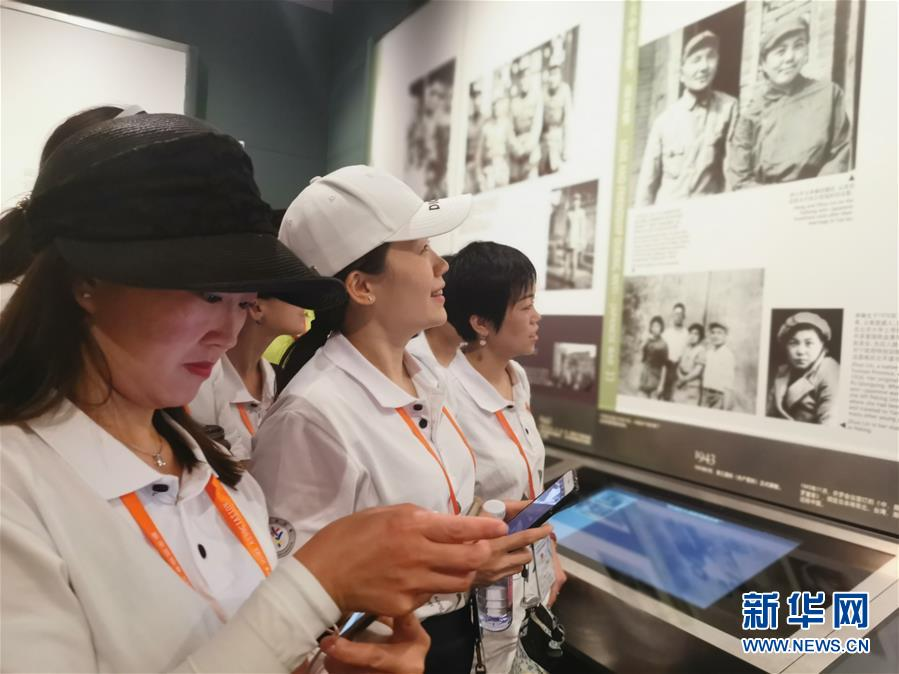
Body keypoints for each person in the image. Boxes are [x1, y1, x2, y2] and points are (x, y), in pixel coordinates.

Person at [0, 109, 507, 674]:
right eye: (207, 294)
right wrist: (314, 586)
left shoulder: (215, 473)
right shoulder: (18, 485)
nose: (227, 331)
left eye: (243, 301)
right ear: (86, 281)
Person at [251, 166, 550, 674]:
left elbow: (423, 511)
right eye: (421, 249)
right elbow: (295, 596)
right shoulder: (312, 414)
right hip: (382, 656)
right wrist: (453, 571)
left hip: (457, 637)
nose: (441, 266)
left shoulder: (427, 380)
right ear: (361, 286)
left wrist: (489, 518)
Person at [443, 241, 565, 674]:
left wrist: (548, 552)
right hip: (479, 593)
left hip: (526, 578)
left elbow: (528, 477)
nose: (537, 317)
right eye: (525, 306)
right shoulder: (445, 391)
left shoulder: (517, 376)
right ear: (481, 322)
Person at [727, 15, 851, 188]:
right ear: (763, 64)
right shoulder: (750, 116)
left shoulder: (828, 94)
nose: (790, 57)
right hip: (767, 199)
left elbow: (841, 153)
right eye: (781, 51)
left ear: (806, 52)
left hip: (816, 195)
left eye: (798, 46)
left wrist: (811, 193)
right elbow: (739, 179)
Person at [189, 293, 308, 462]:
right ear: (256, 308)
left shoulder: (278, 379)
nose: (306, 305)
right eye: (294, 291)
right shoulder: (200, 382)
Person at [635, 30, 737, 207]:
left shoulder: (728, 108)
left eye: (710, 57)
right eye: (696, 60)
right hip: (669, 215)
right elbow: (647, 185)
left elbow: (732, 173)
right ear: (681, 73)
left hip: (707, 212)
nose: (704, 67)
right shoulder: (664, 122)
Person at [767, 312, 839, 424]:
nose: (800, 351)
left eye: (809, 343)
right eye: (793, 343)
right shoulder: (784, 371)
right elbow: (769, 415)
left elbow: (830, 425)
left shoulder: (830, 370)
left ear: (822, 345)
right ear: (785, 346)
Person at [509, 56, 544, 183]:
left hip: (531, 153)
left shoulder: (537, 98)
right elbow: (510, 130)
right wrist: (517, 148)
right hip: (516, 155)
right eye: (521, 78)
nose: (524, 81)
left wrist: (527, 148)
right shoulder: (514, 102)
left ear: (530, 78)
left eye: (526, 77)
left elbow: (537, 126)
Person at [539, 51, 572, 176]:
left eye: (555, 74)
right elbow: (538, 121)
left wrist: (566, 148)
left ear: (560, 75)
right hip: (544, 143)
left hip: (558, 141)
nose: (552, 78)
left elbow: (568, 120)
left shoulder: (565, 90)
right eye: (550, 74)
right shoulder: (543, 92)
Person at [477, 90, 513, 191]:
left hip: (502, 167)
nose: (496, 108)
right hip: (490, 168)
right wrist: (479, 174)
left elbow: (512, 146)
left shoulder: (506, 125)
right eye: (494, 105)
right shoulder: (486, 127)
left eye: (498, 104)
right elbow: (478, 155)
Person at [701, 322, 736, 409]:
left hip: (719, 396)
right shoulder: (709, 353)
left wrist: (726, 406)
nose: (715, 336)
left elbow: (728, 383)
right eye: (713, 332)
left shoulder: (727, 355)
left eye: (719, 333)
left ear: (725, 336)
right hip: (706, 394)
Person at [672, 323, 707, 406]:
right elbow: (679, 365)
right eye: (691, 333)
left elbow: (697, 371)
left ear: (700, 337)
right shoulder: (685, 348)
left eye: (696, 334)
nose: (693, 336)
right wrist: (679, 376)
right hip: (680, 383)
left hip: (692, 385)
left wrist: (684, 379)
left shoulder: (701, 350)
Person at [662, 302, 689, 400]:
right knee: (664, 396)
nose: (678, 316)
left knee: (676, 398)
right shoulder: (666, 333)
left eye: (680, 314)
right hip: (666, 368)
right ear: (673, 315)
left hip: (680, 369)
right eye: (676, 314)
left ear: (684, 316)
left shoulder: (687, 334)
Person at [639, 316, 668, 398]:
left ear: (661, 328)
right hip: (644, 379)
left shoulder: (663, 345)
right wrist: (645, 341)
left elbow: (664, 366)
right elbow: (642, 359)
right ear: (651, 328)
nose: (655, 328)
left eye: (658, 326)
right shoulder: (647, 342)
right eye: (653, 326)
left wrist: (661, 385)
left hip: (655, 381)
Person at [465, 82, 487, 193]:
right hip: (469, 167)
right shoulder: (467, 122)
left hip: (482, 167)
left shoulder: (486, 120)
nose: (476, 102)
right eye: (474, 98)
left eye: (479, 97)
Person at [562, 192, 588, 286]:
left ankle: (572, 278)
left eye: (577, 200)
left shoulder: (582, 212)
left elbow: (583, 227)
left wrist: (582, 240)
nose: (575, 202)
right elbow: (566, 228)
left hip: (576, 239)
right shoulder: (569, 213)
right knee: (567, 259)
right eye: (574, 200)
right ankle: (565, 277)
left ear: (580, 202)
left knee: (574, 260)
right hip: (568, 239)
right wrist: (565, 238)